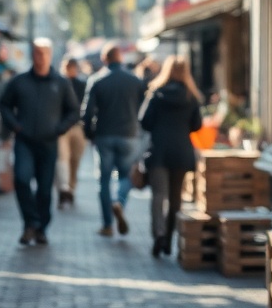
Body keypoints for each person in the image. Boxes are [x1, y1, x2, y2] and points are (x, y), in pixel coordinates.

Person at [0, 37, 80, 245]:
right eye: (37, 53)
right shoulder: (20, 81)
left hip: (49, 143)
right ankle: (30, 223)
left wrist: (59, 129)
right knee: (22, 180)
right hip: (24, 141)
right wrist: (15, 125)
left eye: (44, 53)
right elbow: (4, 104)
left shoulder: (60, 83)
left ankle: (41, 228)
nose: (40, 57)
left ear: (50, 55)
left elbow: (73, 111)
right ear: (32, 55)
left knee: (44, 189)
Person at [138, 55, 202, 257]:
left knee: (158, 196)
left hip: (159, 151)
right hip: (181, 151)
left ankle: (158, 233)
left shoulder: (156, 94)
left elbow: (144, 121)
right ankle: (168, 239)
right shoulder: (190, 97)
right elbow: (197, 125)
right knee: (176, 198)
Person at [81, 42, 145, 237]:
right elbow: (144, 110)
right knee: (126, 176)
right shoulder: (135, 81)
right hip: (129, 135)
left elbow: (87, 112)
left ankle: (108, 224)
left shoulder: (97, 81)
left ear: (104, 59)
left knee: (104, 181)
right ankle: (119, 201)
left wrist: (90, 134)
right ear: (121, 58)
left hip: (104, 136)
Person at [55, 58, 87, 207]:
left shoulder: (81, 84)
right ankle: (63, 189)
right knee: (62, 159)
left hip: (78, 127)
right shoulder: (58, 83)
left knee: (75, 160)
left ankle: (71, 189)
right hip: (62, 128)